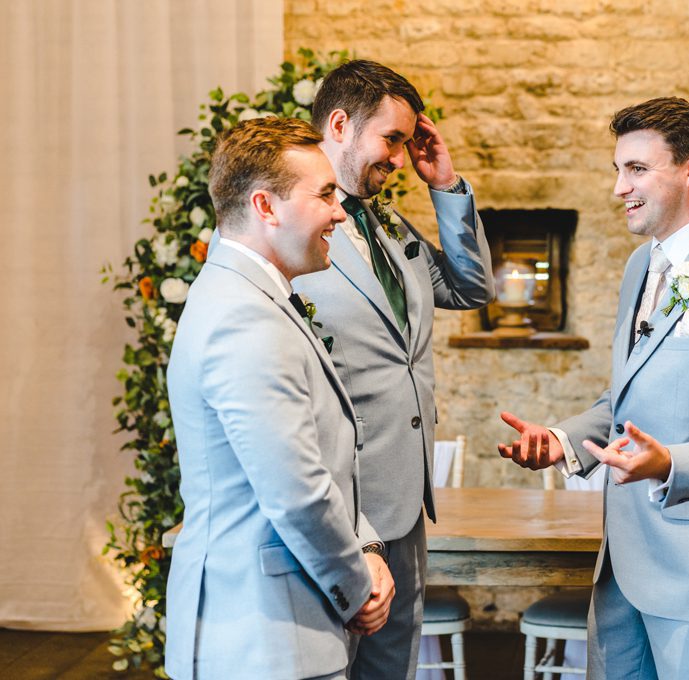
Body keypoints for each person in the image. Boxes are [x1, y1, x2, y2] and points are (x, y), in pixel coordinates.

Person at [495, 97, 689, 679]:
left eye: (637, 169)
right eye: (618, 169)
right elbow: (629, 401)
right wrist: (563, 440)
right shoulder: (642, 266)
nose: (619, 187)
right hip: (621, 569)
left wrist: (671, 464)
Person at [164, 116, 395, 679]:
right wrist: (356, 585)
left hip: (281, 627)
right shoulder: (244, 315)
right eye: (323, 195)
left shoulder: (253, 296)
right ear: (266, 207)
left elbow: (318, 459)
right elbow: (296, 491)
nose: (340, 212)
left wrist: (366, 545)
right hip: (263, 639)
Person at [291, 58, 494, 679]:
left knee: (392, 667)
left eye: (408, 143)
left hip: (407, 497)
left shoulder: (392, 226)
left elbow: (472, 287)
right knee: (331, 663)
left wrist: (447, 185)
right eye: (392, 140)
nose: (400, 158)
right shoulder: (291, 226)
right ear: (340, 123)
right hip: (338, 498)